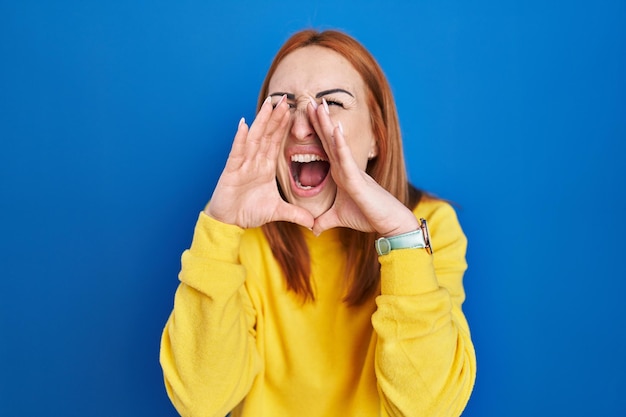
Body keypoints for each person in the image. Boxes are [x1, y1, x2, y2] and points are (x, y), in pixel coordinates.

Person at [160, 29, 476, 417]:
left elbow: (430, 408)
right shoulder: (235, 232)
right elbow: (201, 402)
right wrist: (219, 228)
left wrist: (401, 239)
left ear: (377, 136)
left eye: (332, 104)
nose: (301, 127)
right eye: (282, 105)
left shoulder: (430, 226)